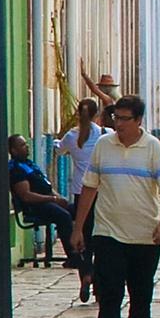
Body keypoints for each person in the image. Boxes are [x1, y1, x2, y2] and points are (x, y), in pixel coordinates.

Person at [71, 96, 160, 318]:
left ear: (139, 120)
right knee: (109, 295)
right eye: (115, 118)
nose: (118, 124)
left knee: (140, 298)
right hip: (108, 234)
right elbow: (90, 188)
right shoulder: (104, 146)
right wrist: (79, 227)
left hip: (144, 236)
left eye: (124, 119)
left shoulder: (153, 147)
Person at [54, 99, 105, 299]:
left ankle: (85, 273)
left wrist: (58, 142)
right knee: (100, 240)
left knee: (82, 239)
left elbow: (59, 150)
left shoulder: (71, 136)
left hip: (80, 192)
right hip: (101, 193)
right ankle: (99, 285)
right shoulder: (104, 135)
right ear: (96, 115)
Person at [5, 135, 81, 262]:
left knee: (79, 210)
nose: (27, 147)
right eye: (23, 145)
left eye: (26, 144)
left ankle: (85, 251)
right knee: (64, 216)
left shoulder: (29, 164)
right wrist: (52, 199)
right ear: (14, 150)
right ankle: (73, 257)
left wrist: (58, 197)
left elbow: (46, 186)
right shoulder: (16, 169)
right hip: (36, 206)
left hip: (48, 201)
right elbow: (26, 195)